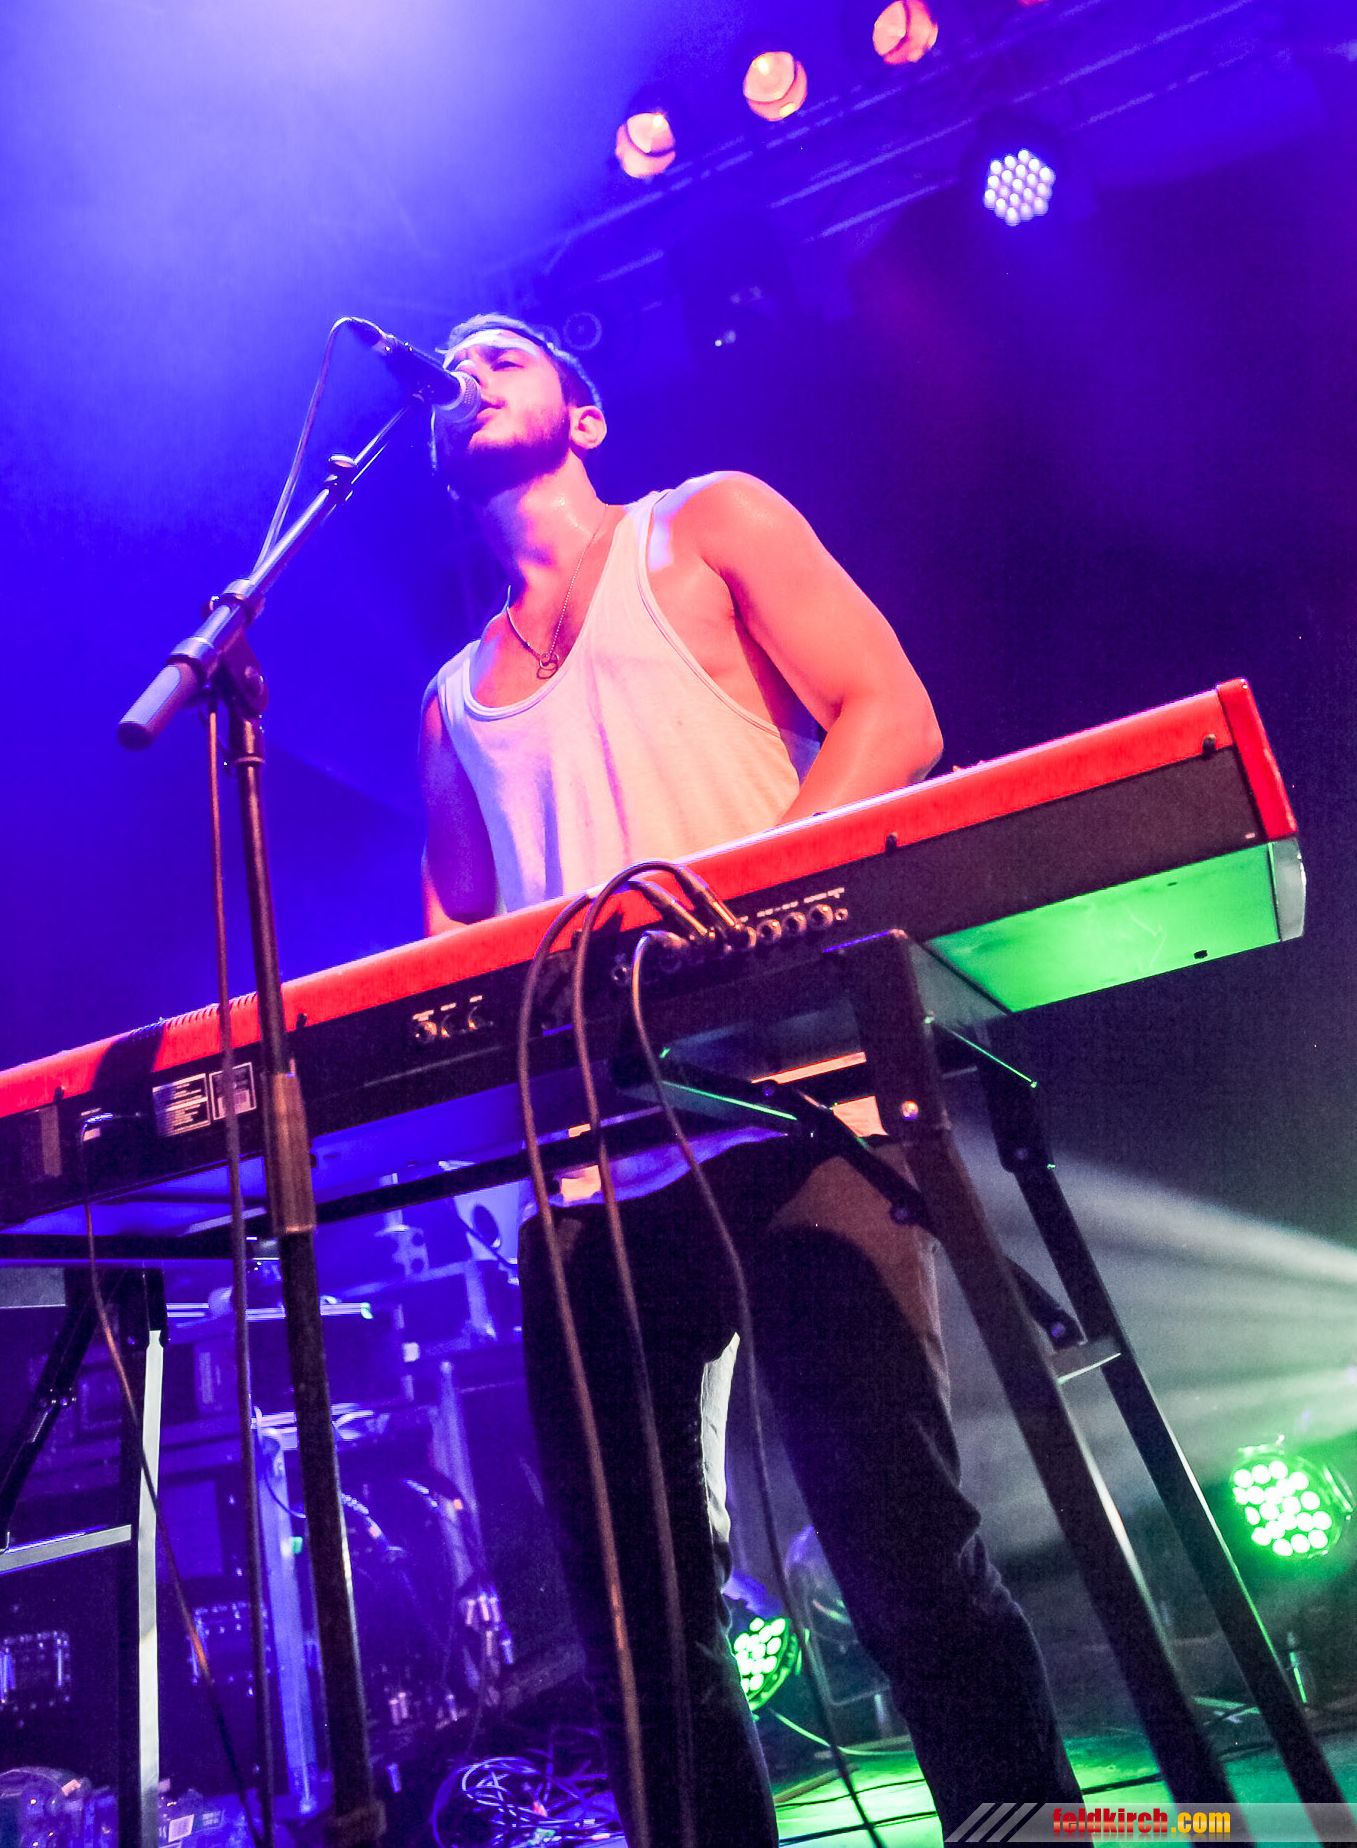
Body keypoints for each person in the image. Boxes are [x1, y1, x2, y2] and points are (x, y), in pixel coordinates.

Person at [418, 314, 1080, 1845]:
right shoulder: (448, 697)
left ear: (584, 414)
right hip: (593, 1169)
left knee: (903, 1553)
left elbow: (894, 714)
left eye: (501, 356)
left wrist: (717, 905)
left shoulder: (706, 524)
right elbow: (450, 935)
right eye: (452, 372)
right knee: (642, 1629)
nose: (466, 378)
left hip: (800, 1104)